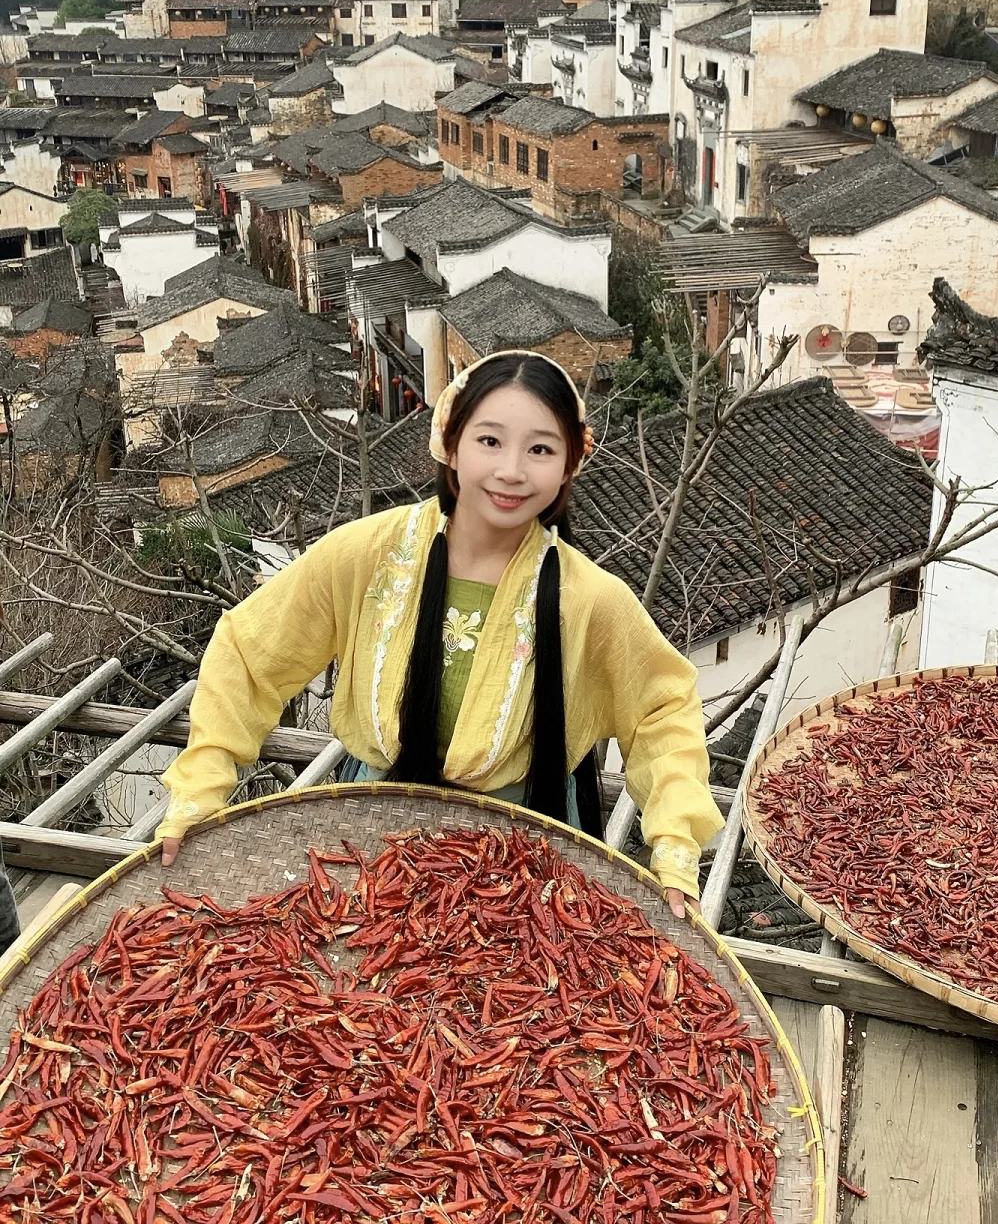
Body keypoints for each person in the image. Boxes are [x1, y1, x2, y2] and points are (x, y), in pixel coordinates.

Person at [156, 351, 723, 917]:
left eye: (541, 449)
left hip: (522, 862)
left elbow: (662, 706)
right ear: (450, 444)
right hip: (371, 836)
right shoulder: (367, 554)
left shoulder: (590, 599)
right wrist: (200, 790)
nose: (512, 471)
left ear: (571, 463)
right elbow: (249, 651)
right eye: (490, 441)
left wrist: (674, 847)